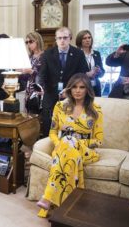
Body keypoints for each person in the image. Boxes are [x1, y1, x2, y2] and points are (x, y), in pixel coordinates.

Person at [36, 73, 103, 218]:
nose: (77, 91)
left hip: (86, 151)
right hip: (63, 149)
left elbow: (98, 141)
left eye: (82, 87)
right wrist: (62, 143)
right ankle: (69, 211)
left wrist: (75, 142)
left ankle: (48, 198)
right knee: (70, 158)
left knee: (68, 146)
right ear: (69, 89)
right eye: (74, 87)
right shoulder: (60, 106)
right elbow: (53, 133)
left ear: (87, 90)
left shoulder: (96, 109)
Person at [39, 27, 89, 138]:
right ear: (56, 39)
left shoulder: (78, 54)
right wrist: (41, 88)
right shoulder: (48, 54)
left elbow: (82, 75)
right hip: (50, 95)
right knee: (49, 123)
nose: (62, 41)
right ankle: (49, 146)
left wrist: (70, 89)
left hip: (72, 95)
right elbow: (42, 74)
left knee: (68, 125)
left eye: (65, 38)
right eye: (59, 38)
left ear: (70, 38)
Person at [19, 32, 44, 114]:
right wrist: (20, 73)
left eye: (31, 41)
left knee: (38, 116)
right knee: (28, 117)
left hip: (39, 91)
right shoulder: (29, 57)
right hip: (28, 90)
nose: (28, 44)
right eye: (27, 42)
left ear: (37, 41)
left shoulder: (45, 56)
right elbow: (26, 78)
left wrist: (31, 71)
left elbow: (44, 76)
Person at [75, 30, 105, 96]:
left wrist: (99, 71)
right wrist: (86, 74)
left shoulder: (96, 54)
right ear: (80, 40)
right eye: (84, 38)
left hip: (95, 87)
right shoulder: (75, 54)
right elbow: (73, 73)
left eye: (89, 37)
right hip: (81, 86)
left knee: (96, 105)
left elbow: (102, 72)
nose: (87, 40)